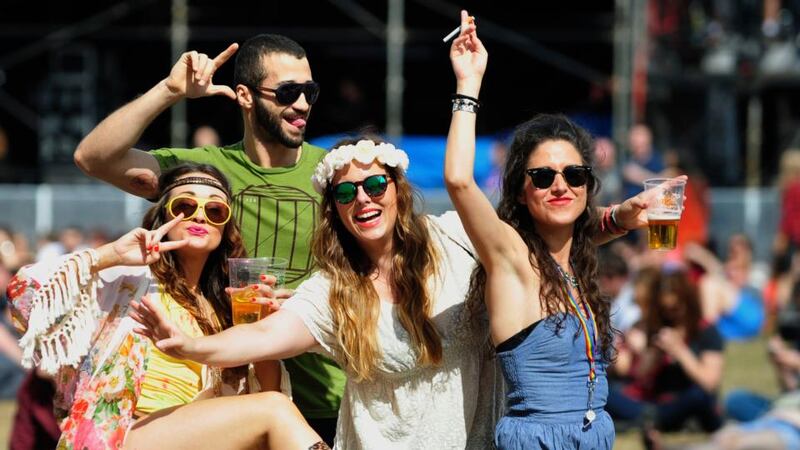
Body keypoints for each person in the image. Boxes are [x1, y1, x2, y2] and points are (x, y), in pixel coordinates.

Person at [131, 138, 506, 448]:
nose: (362, 199)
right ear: (334, 210)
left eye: (375, 185)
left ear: (399, 189)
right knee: (275, 410)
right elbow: (263, 339)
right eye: (345, 192)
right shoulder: (332, 292)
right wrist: (187, 346)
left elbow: (522, 254)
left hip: (478, 438)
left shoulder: (456, 237)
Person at [72, 34, 344, 442]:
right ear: (245, 96)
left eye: (310, 91)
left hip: (330, 393)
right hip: (230, 395)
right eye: (288, 92)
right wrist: (168, 91)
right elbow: (93, 158)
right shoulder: (203, 177)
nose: (302, 104)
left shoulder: (338, 175)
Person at [8, 164, 323, 449]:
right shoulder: (127, 281)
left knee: (273, 408)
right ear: (166, 217)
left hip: (195, 438)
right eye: (185, 206)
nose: (200, 215)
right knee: (274, 410)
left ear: (226, 228)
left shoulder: (228, 308)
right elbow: (24, 293)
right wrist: (111, 255)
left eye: (215, 210)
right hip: (122, 435)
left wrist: (261, 332)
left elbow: (264, 397)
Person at [443, 13, 620, 448]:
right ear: (521, 192)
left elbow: (586, 228)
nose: (560, 185)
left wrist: (624, 218)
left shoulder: (571, 260)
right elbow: (460, 181)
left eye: (574, 175)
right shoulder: (512, 258)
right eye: (542, 177)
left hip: (594, 435)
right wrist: (468, 84)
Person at [606, 269, 724, 440]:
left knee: (699, 396)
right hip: (656, 404)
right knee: (605, 390)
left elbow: (709, 383)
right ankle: (647, 420)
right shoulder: (659, 328)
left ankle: (643, 422)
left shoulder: (706, 331)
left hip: (687, 401)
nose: (670, 314)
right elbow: (640, 375)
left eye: (674, 308)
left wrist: (680, 351)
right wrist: (655, 352)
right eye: (664, 309)